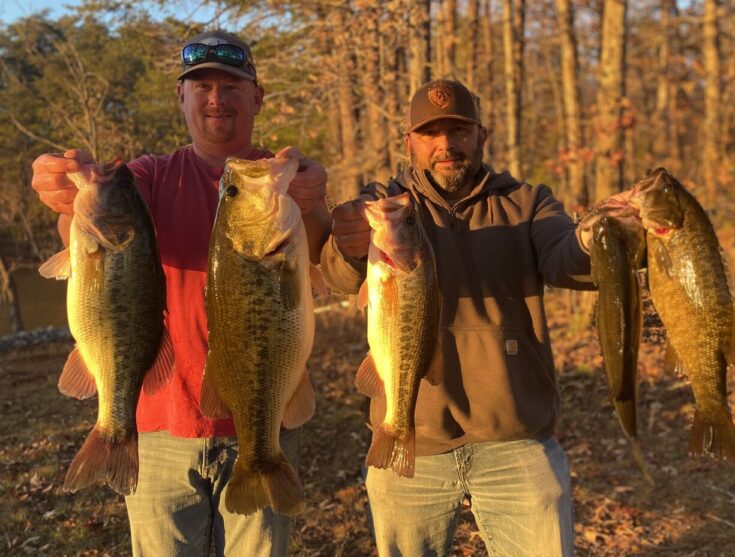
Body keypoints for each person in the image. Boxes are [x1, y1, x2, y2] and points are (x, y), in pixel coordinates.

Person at [31, 30, 331, 556]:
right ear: (182, 98)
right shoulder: (148, 176)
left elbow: (328, 262)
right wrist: (67, 198)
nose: (216, 98)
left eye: (231, 86)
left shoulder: (282, 184)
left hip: (256, 422)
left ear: (256, 98)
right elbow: (97, 237)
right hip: (158, 423)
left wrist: (312, 204)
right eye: (202, 86)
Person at [321, 79, 636, 557]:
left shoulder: (528, 202)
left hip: (516, 439)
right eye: (430, 134)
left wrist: (597, 236)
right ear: (409, 142)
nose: (446, 145)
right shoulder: (386, 204)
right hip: (413, 442)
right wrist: (345, 247)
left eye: (458, 131)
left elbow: (565, 258)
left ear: (481, 137)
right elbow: (342, 277)